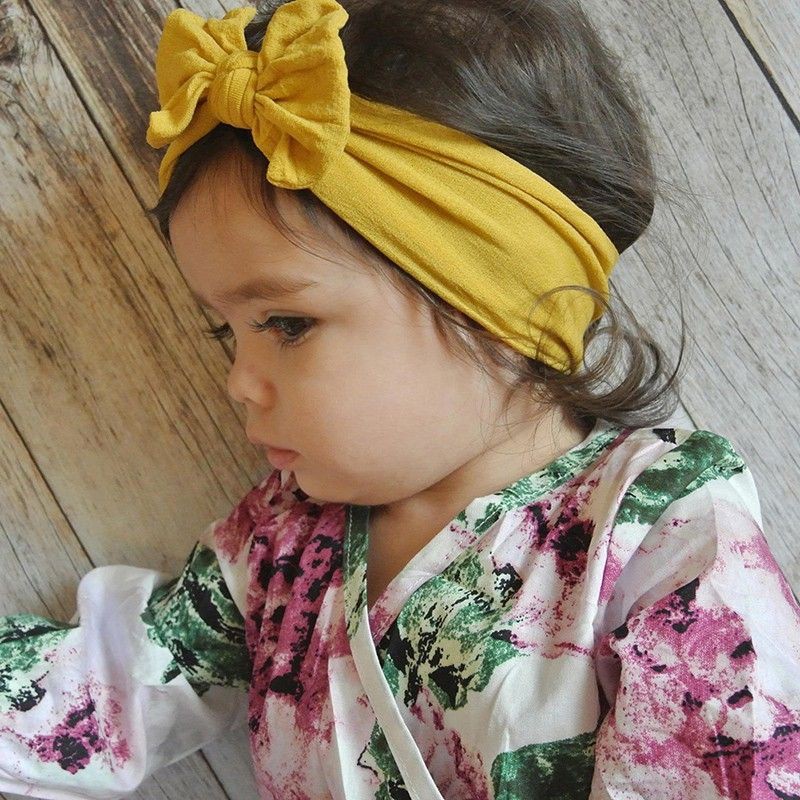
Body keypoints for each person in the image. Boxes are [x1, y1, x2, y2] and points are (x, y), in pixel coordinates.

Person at [1, 0, 798, 797]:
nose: (238, 381)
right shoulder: (281, 548)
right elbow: (100, 697)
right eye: (227, 331)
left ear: (493, 304)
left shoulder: (657, 534)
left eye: (286, 323)